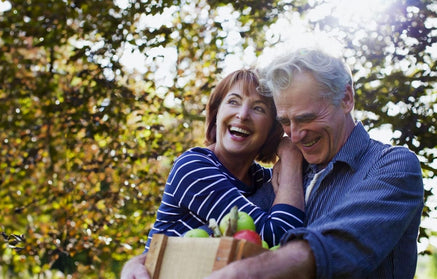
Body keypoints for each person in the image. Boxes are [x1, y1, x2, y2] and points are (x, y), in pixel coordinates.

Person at [206, 47, 424, 279]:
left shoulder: (393, 166)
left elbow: (338, 244)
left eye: (306, 118)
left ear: (346, 98)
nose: (296, 136)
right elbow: (233, 223)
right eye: (285, 122)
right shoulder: (290, 174)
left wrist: (242, 273)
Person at [121, 68, 306, 278]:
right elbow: (280, 236)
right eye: (233, 101)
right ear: (217, 112)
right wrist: (291, 158)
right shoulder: (193, 168)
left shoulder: (262, 179)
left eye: (258, 108)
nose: (243, 115)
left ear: (272, 129)